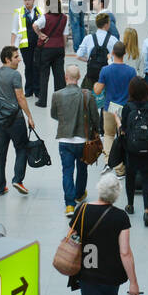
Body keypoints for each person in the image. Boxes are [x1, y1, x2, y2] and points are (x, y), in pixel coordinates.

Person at [51, 65, 102, 217]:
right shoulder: (87, 95)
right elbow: (95, 117)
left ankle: (69, 205)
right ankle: (79, 194)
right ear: (79, 77)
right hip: (83, 140)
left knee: (67, 171)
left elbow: (54, 115)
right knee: (82, 169)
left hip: (65, 140)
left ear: (66, 77)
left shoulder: (57, 95)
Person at [0, 46, 36, 197]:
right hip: (15, 120)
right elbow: (20, 97)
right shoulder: (15, 75)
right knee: (22, 148)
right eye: (16, 57)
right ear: (7, 59)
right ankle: (17, 179)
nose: (19, 59)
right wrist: (30, 117)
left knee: (0, 153)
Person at [119, 76, 148, 225]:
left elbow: (124, 130)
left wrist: (118, 122)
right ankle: (147, 211)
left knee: (130, 176)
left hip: (132, 149)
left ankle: (130, 205)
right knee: (146, 178)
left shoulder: (127, 108)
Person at [95, 41, 137, 175]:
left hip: (110, 107)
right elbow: (134, 91)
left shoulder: (105, 70)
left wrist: (97, 83)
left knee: (108, 135)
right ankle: (121, 168)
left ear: (112, 53)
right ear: (125, 54)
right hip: (125, 108)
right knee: (123, 136)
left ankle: (108, 162)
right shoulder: (131, 71)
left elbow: (97, 90)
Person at [32, 0, 68, 108]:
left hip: (47, 49)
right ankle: (60, 102)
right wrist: (63, 48)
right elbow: (65, 35)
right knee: (59, 76)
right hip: (59, 48)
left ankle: (42, 101)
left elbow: (35, 25)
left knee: (44, 75)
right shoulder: (64, 17)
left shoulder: (45, 17)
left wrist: (40, 34)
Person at [10, 0, 42, 96]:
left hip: (38, 45)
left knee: (37, 66)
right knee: (28, 67)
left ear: (33, 0)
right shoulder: (19, 12)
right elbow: (14, 30)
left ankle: (37, 90)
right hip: (25, 45)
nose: (27, 2)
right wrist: (13, 47)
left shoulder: (40, 12)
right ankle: (29, 90)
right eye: (25, 0)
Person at [75, 12, 119, 91]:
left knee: (87, 94)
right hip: (107, 77)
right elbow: (116, 59)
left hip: (91, 75)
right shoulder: (113, 40)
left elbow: (78, 56)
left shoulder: (88, 38)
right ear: (106, 25)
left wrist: (88, 59)